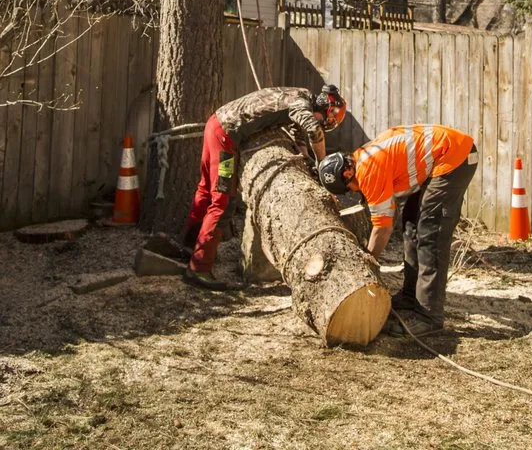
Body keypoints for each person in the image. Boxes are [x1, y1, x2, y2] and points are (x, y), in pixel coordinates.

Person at [318, 124, 478, 336]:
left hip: (454, 157)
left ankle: (429, 316)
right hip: (439, 158)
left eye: (351, 188)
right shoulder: (362, 157)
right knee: (411, 224)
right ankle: (412, 295)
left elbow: (382, 228)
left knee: (431, 232)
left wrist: (369, 262)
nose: (355, 191)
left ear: (348, 174)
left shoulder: (367, 171)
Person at [183, 84, 347, 290]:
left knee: (205, 190)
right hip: (226, 137)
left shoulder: (300, 95)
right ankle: (198, 268)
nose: (326, 122)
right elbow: (313, 130)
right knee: (222, 201)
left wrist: (305, 156)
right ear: (324, 107)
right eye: (328, 117)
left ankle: (189, 245)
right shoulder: (301, 103)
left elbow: (297, 128)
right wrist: (322, 164)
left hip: (216, 124)